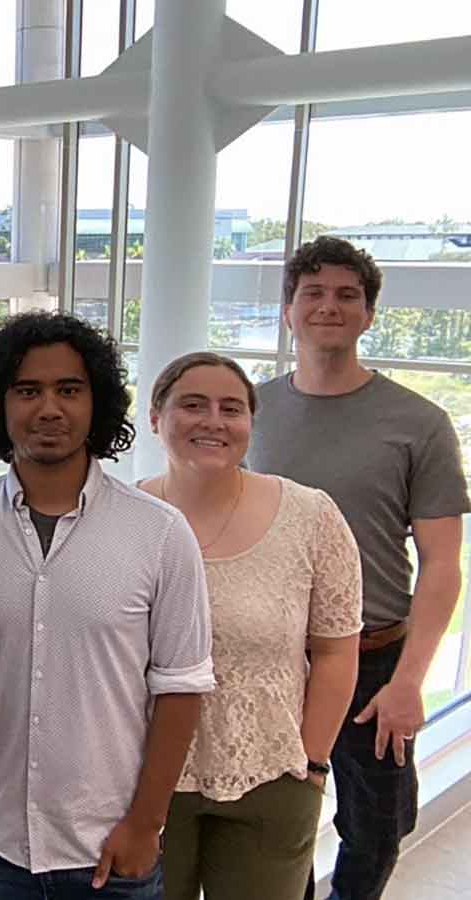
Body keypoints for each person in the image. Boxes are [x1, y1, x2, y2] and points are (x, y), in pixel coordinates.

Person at [0, 311, 215, 900]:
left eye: (69, 389)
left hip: (112, 853)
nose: (49, 409)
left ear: (98, 403)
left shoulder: (159, 533)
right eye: (27, 390)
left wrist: (146, 824)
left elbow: (182, 687)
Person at [247, 237, 470, 900]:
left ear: (370, 314)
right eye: (312, 293)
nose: (328, 306)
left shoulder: (420, 423)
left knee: (379, 825)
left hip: (374, 658)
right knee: (271, 820)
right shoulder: (247, 412)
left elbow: (441, 565)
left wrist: (409, 683)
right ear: (289, 310)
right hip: (267, 654)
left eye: (347, 295)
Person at [139, 352, 362, 900]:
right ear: (155, 417)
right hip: (143, 782)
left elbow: (336, 650)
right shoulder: (124, 517)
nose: (213, 421)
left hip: (271, 779)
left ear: (249, 424)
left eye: (231, 408)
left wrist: (310, 765)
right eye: (192, 405)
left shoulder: (311, 517)